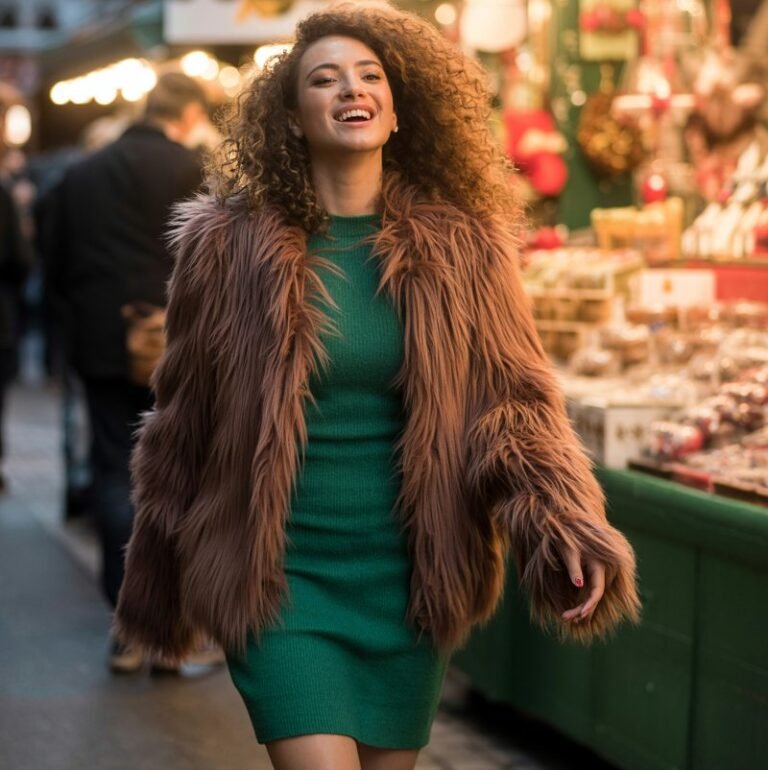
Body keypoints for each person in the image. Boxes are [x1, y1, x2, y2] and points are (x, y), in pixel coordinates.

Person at [116, 5, 641, 769]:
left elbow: (516, 406)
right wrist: (158, 573)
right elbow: (182, 416)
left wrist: (562, 521)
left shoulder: (464, 247)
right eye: (323, 79)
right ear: (291, 117)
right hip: (278, 580)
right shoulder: (227, 248)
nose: (350, 90)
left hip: (408, 583)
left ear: (398, 110)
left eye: (370, 77)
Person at [50, 72, 209, 672]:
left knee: (116, 472)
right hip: (178, 343)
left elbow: (57, 263)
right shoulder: (189, 167)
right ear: (189, 112)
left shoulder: (83, 172)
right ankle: (171, 632)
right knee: (181, 474)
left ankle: (127, 627)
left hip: (100, 342)